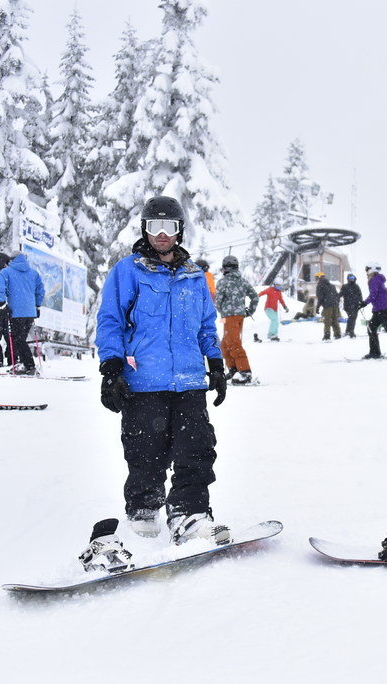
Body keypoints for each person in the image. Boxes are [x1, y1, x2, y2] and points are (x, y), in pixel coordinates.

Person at [94, 195, 229, 546]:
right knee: (145, 450)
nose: (162, 235)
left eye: (169, 226)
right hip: (144, 382)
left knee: (196, 448)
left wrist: (214, 362)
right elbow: (110, 321)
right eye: (155, 226)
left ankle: (188, 513)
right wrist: (111, 368)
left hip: (188, 380)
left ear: (180, 230)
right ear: (145, 229)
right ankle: (144, 509)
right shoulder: (128, 270)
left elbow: (205, 326)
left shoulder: (195, 276)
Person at [0, 252, 46, 375]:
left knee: (16, 339)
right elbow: (40, 291)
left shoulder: (6, 272)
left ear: (11, 260)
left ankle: (29, 365)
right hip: (29, 311)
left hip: (15, 311)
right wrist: (37, 305)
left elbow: (0, 287)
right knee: (20, 338)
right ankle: (24, 364)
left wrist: (2, 302)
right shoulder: (33, 273)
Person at [215, 255, 259, 385]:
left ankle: (245, 372)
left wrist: (222, 310)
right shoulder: (243, 281)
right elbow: (255, 297)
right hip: (239, 316)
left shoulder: (223, 282)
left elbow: (218, 301)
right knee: (225, 344)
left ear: (224, 268)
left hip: (229, 317)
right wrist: (249, 310)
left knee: (233, 344)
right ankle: (234, 369)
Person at [315, 272, 342, 341]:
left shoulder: (320, 285)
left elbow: (320, 298)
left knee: (327, 320)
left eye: (316, 278)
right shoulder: (332, 285)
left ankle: (327, 336)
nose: (316, 280)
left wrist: (317, 307)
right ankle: (338, 334)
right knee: (334, 319)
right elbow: (337, 296)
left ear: (319, 277)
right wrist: (337, 305)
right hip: (335, 305)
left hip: (328, 306)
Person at [339, 273, 364, 337]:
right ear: (348, 279)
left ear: (355, 278)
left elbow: (360, 295)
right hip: (348, 306)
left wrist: (362, 303)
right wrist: (336, 298)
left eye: (353, 278)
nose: (352, 279)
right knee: (352, 318)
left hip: (356, 306)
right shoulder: (345, 286)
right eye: (350, 278)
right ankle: (350, 332)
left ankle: (349, 331)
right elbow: (340, 294)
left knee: (352, 318)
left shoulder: (356, 286)